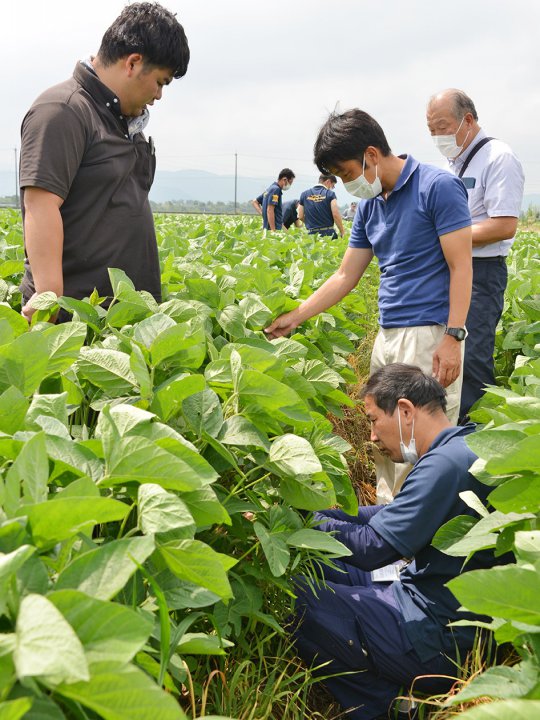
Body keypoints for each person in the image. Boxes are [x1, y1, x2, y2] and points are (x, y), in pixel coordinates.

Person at [265, 109, 472, 502]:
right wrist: (295, 317)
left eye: (346, 174)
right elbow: (346, 275)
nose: (347, 185)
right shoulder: (371, 205)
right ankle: (387, 531)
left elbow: (462, 266)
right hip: (389, 334)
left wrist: (453, 336)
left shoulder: (438, 186)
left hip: (429, 333)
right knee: (386, 438)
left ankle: (419, 544)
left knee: (422, 444)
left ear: (371, 155)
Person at [293, 363, 511, 720]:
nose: (373, 436)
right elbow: (383, 517)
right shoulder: (459, 449)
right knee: (317, 564)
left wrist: (300, 527)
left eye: (374, 419)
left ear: (406, 411)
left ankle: (388, 708)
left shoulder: (444, 466)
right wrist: (316, 517)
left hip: (439, 635)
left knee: (303, 596)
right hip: (435, 603)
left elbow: (373, 549)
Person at [19, 2, 190, 321]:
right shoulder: (63, 110)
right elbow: (41, 204)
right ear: (133, 63)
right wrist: (50, 299)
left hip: (121, 316)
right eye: (161, 82)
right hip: (78, 318)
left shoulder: (125, 119)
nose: (159, 95)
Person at [427, 89, 525, 421]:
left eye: (442, 126)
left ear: (467, 120)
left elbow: (503, 226)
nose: (438, 136)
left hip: (481, 274)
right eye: (431, 130)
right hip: (451, 271)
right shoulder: (449, 164)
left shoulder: (499, 157)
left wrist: (448, 238)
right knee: (445, 355)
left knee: (471, 358)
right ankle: (449, 432)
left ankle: (477, 442)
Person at [298, 173, 345, 238]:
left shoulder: (304, 194)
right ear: (328, 181)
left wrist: (312, 223)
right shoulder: (330, 194)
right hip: (328, 234)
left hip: (311, 234)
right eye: (333, 185)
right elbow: (335, 215)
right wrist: (342, 231)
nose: (332, 188)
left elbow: (300, 216)